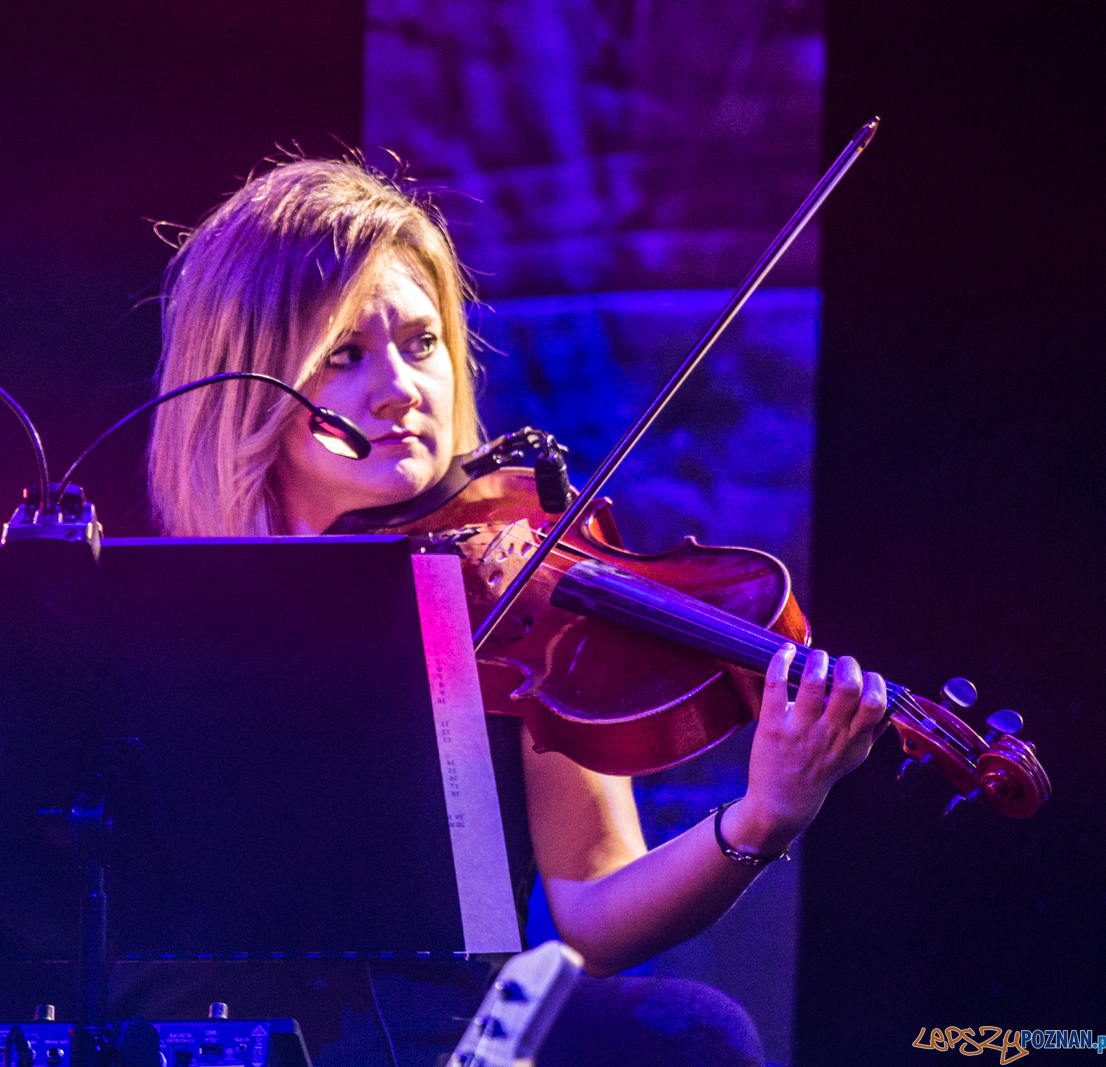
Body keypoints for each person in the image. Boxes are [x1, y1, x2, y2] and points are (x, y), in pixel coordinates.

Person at [134, 158, 889, 1066]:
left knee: (696, 1035)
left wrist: (762, 815)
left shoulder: (523, 597)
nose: (401, 387)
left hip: (451, 1040)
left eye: (422, 343)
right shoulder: (159, 613)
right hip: (212, 1038)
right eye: (344, 354)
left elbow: (597, 905)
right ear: (249, 383)